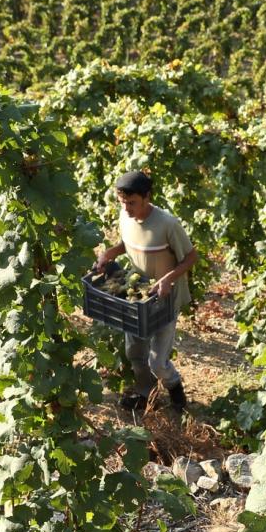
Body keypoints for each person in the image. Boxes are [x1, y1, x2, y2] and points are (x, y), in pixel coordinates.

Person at [95, 170, 197, 412]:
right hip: (137, 296)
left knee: (157, 362)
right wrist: (109, 253)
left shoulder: (167, 224)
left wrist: (167, 280)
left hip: (163, 299)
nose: (127, 208)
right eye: (123, 203)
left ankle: (175, 390)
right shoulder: (125, 217)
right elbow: (128, 244)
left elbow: (192, 257)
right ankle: (145, 393)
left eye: (132, 203)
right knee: (135, 353)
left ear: (147, 197)